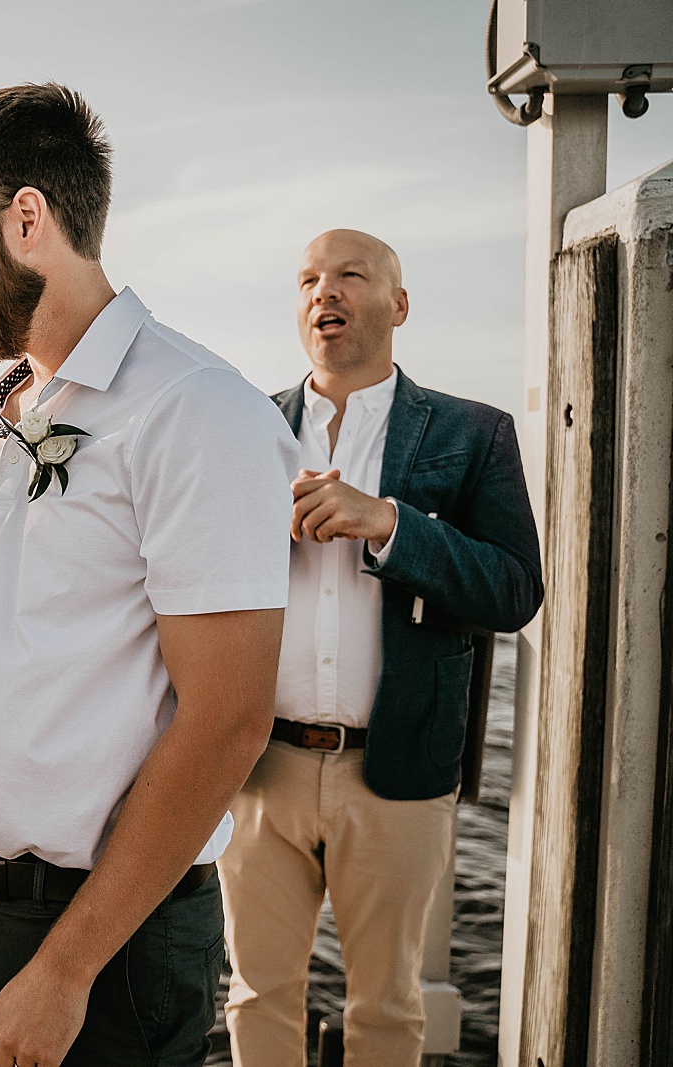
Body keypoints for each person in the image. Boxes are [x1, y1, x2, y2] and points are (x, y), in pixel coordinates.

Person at [0, 84, 299, 1067]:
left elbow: (228, 717)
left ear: (27, 219)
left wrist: (66, 969)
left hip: (109, 940)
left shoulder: (196, 409)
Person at [217, 229, 543, 1066]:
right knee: (255, 995)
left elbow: (513, 588)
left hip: (397, 767)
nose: (324, 291)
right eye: (308, 280)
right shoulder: (242, 429)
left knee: (390, 1008)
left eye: (349, 275)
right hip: (257, 762)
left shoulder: (475, 432)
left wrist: (392, 523)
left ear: (397, 305)